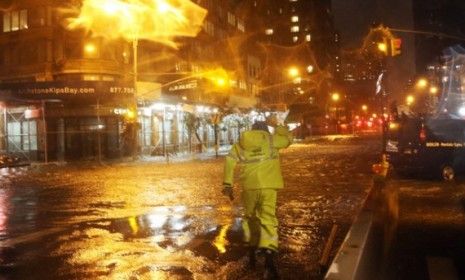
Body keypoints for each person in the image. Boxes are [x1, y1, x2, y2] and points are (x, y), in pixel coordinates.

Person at [222, 116, 292, 279]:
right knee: (268, 221)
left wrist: (227, 184)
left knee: (250, 219)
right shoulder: (271, 140)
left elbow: (230, 160)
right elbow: (289, 139)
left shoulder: (241, 143)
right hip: (269, 187)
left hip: (249, 187)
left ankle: (252, 255)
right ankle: (269, 263)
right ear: (265, 131)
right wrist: (279, 125)